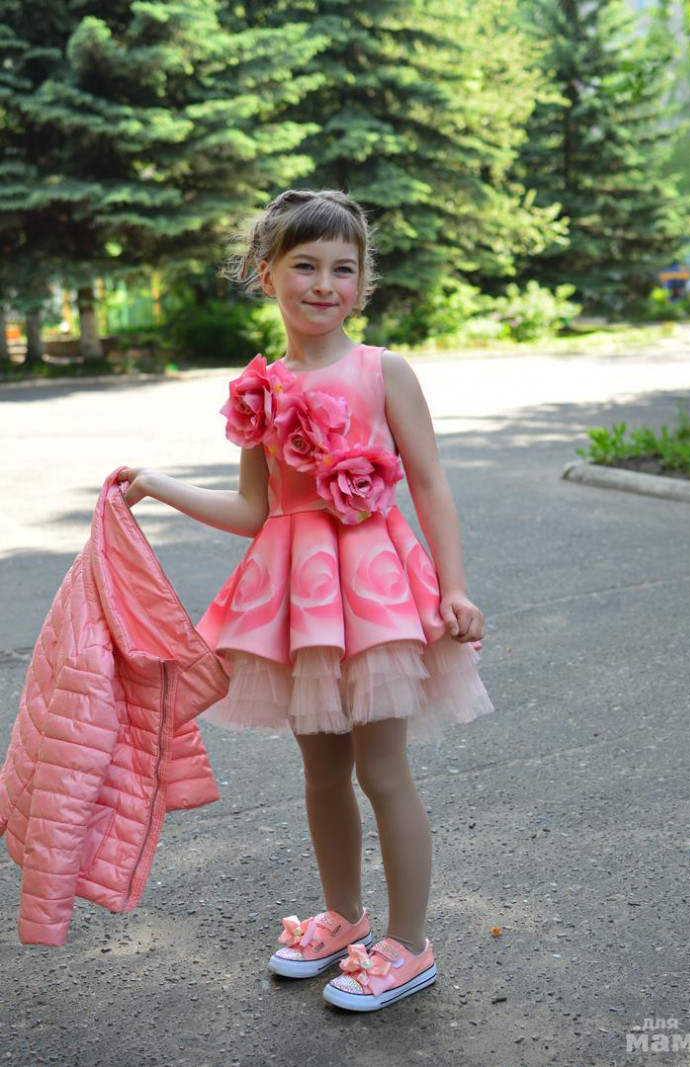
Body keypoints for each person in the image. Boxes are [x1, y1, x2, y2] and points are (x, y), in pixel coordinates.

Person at [117, 187, 493, 1012]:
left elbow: (429, 483)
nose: (325, 284)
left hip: (376, 595)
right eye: (305, 266)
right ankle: (343, 916)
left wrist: (455, 586)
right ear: (266, 274)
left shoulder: (382, 371)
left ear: (363, 282)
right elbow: (254, 509)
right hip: (299, 601)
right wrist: (156, 484)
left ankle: (409, 944)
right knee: (321, 770)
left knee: (382, 769)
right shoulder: (262, 386)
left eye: (343, 269)